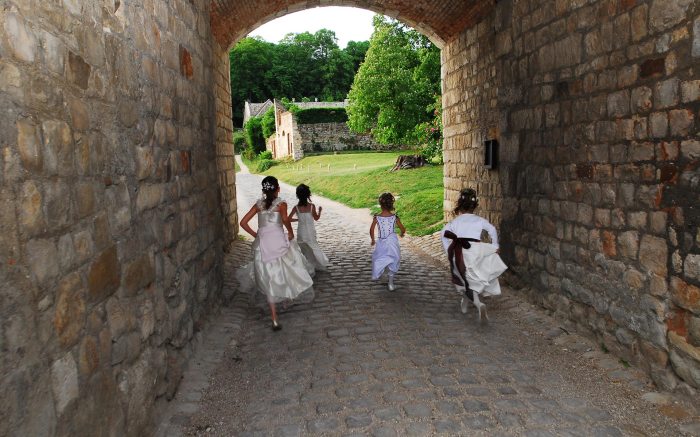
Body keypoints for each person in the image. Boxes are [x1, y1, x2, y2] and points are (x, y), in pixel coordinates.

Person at [238, 176, 314, 331]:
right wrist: (291, 233)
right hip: (278, 241)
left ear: (264, 190)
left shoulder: (258, 205)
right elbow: (285, 220)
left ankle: (274, 319)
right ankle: (288, 296)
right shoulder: (281, 204)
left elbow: (243, 223)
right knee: (286, 269)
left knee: (268, 278)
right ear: (278, 188)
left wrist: (256, 235)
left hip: (263, 244)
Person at [441, 188, 507, 321]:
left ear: (459, 204)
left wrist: (449, 249)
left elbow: (444, 234)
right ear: (474, 206)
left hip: (460, 253)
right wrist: (495, 246)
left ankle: (478, 304)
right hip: (476, 251)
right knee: (472, 280)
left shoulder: (455, 222)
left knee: (465, 280)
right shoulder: (479, 220)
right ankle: (466, 303)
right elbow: (492, 230)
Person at [288, 184, 330, 271]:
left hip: (301, 231)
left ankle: (305, 263)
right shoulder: (311, 206)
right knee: (314, 246)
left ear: (297, 195)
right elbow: (316, 218)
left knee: (303, 248)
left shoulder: (296, 208)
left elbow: (288, 219)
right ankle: (318, 262)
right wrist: (320, 211)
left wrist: (298, 219)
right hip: (310, 231)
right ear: (308, 195)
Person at [370, 192, 406, 291]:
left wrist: (373, 240)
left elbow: (371, 229)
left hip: (381, 242)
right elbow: (402, 228)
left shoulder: (377, 217)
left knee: (381, 257)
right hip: (392, 242)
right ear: (391, 204)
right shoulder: (395, 217)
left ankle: (382, 272)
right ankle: (390, 283)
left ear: (380, 205)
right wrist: (402, 233)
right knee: (394, 259)